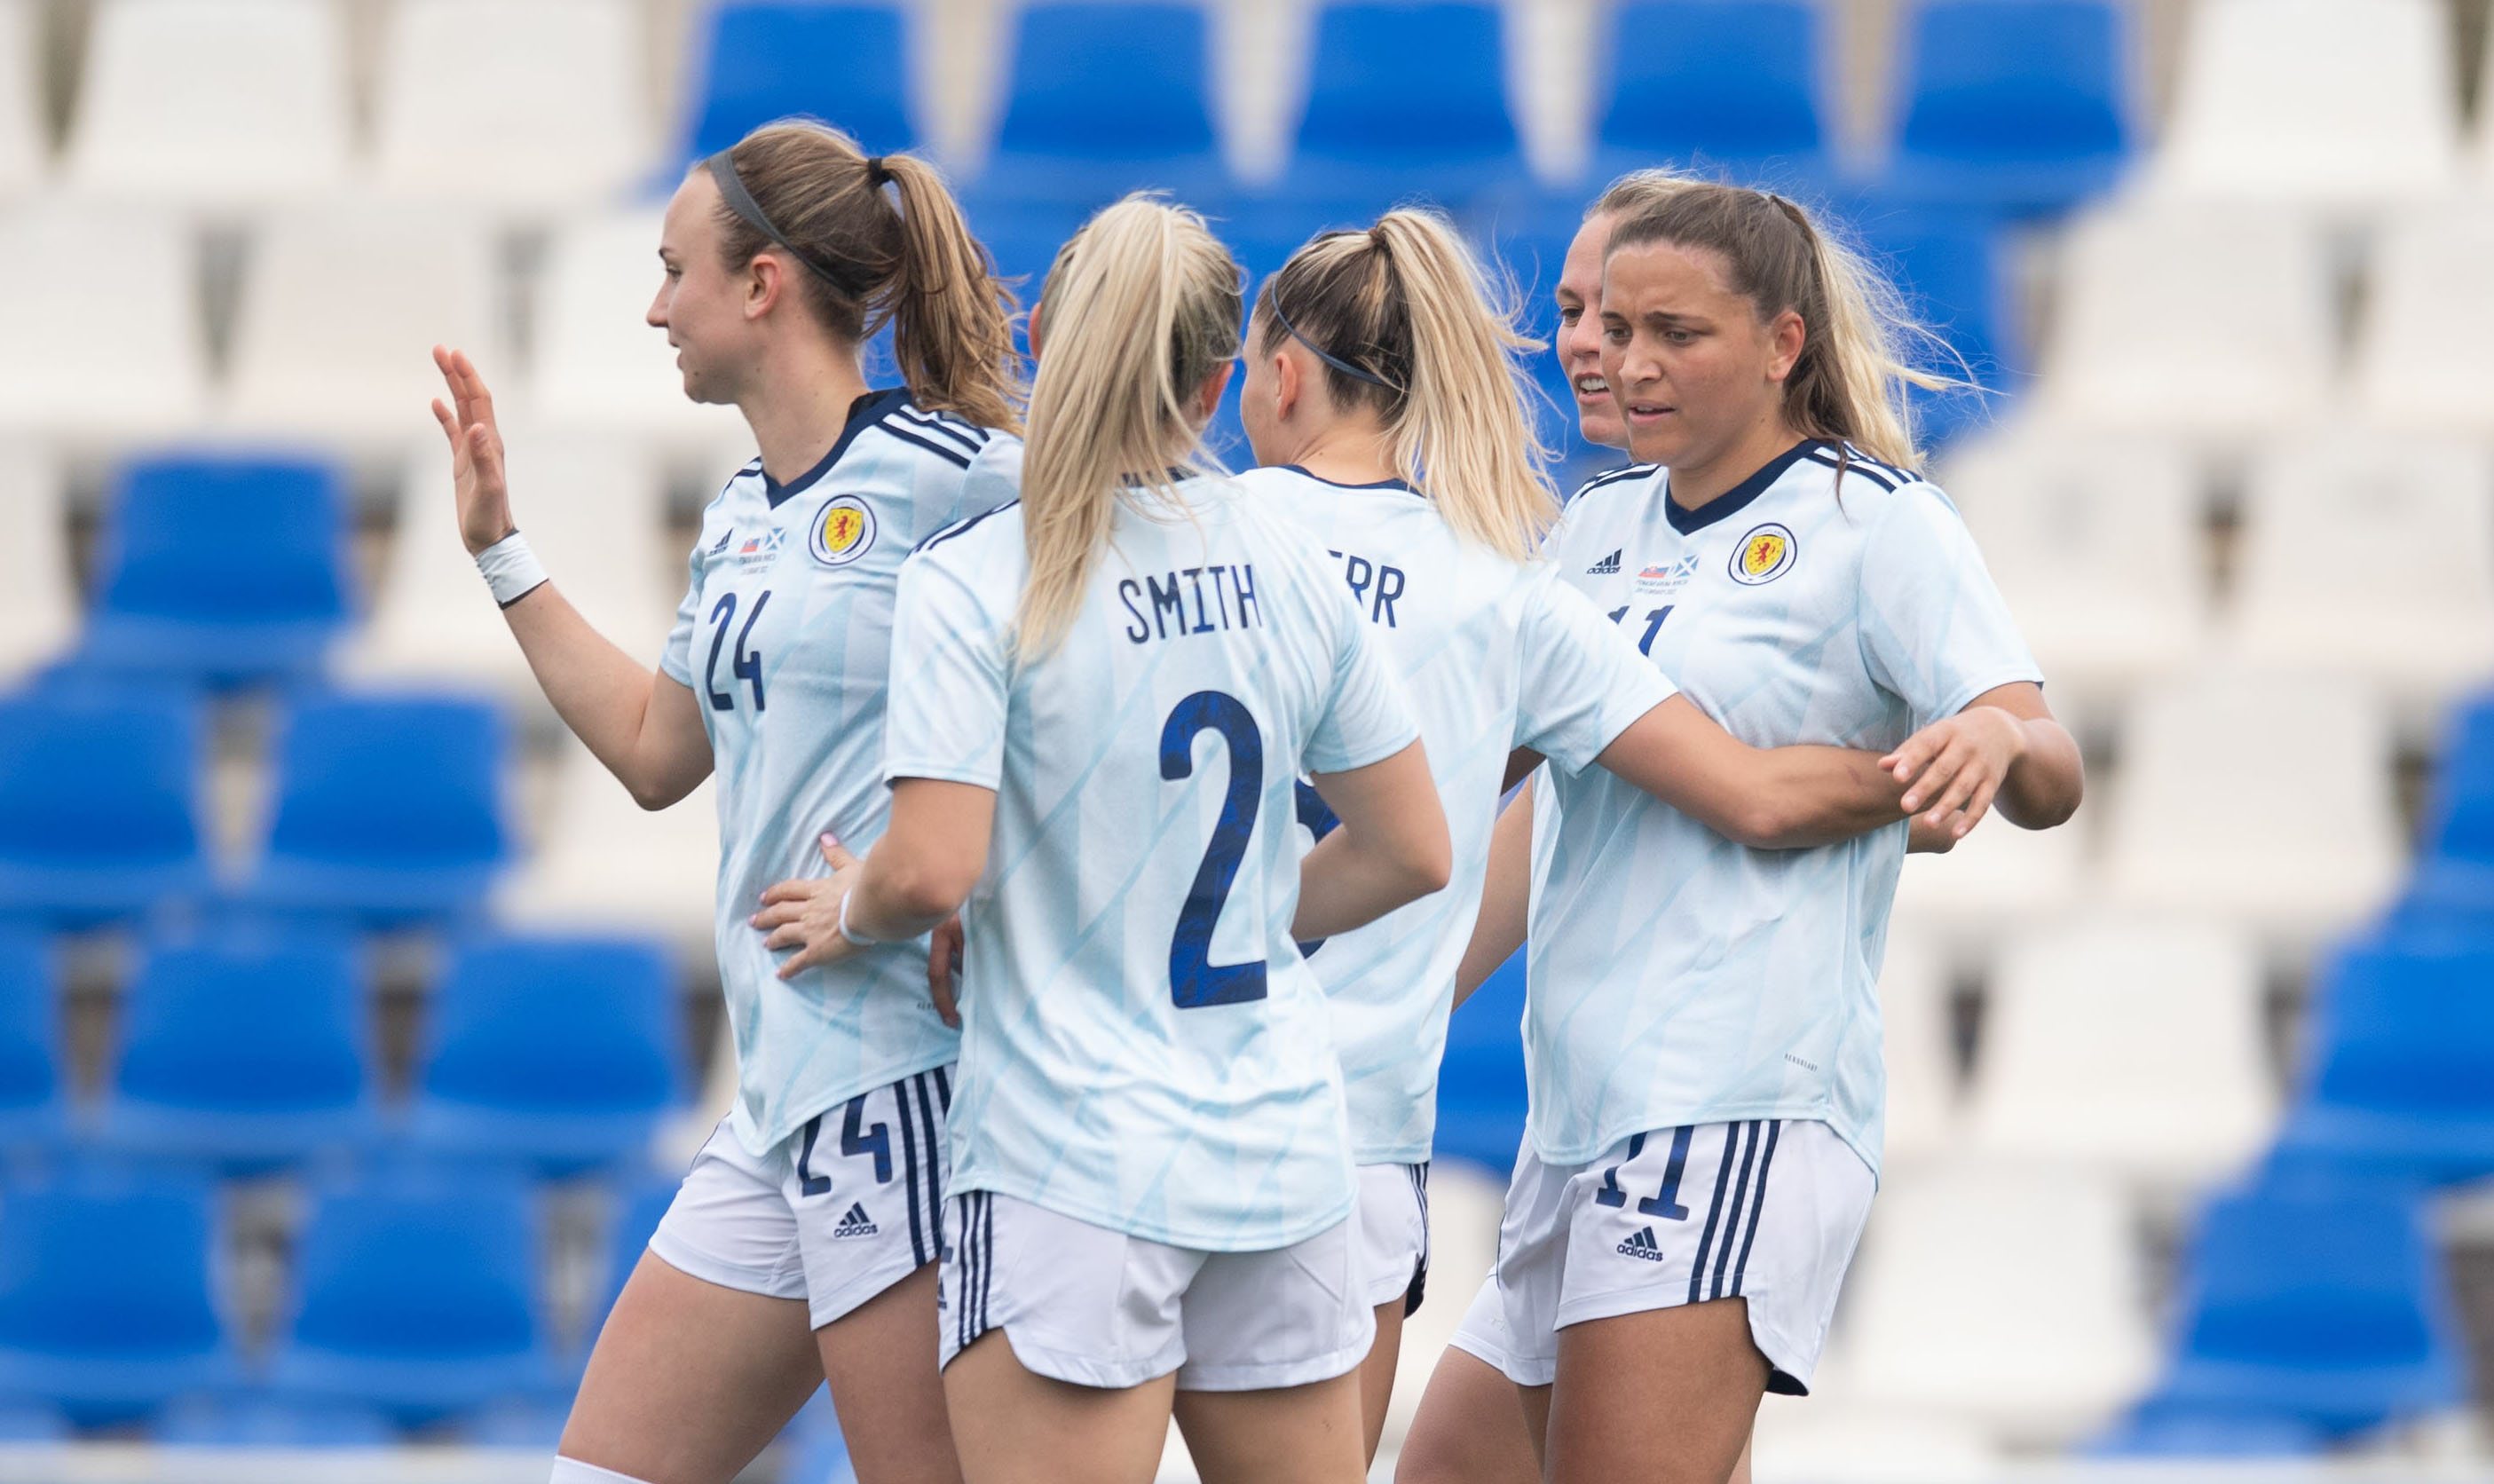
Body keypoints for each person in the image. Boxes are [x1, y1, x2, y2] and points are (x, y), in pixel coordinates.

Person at [755, 193, 1454, 1484]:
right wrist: (1249, 918)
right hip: (1280, 1148)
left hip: (1069, 1164)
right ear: (1217, 377)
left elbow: (929, 869)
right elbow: (1414, 849)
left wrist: (853, 909)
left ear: (1040, 334)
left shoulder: (979, 574)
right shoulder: (1284, 549)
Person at [1227, 204, 1930, 1464]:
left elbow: (1442, 816)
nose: (1597, 351)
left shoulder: (1181, 541)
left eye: (1638, 323)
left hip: (1705, 1102)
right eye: (1576, 319)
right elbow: (1718, 796)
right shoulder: (1535, 569)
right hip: (1432, 1126)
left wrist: (1949, 752)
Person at [1458, 183, 2086, 1484]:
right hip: (1575, 1110)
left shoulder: (1877, 521)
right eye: (1607, 327)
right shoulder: (1595, 527)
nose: (1626, 362)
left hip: (1729, 1102)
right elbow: (1478, 786)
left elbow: (2046, 759)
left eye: (1672, 334)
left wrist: (1995, 742)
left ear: (1781, 345)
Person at [429, 119, 1023, 1484]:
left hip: (905, 1086)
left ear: (762, 285)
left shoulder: (965, 476)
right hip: (780, 1097)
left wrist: (949, 881)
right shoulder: (745, 509)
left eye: (674, 270)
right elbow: (654, 751)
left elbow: (1106, 694)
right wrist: (500, 552)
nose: (654, 307)